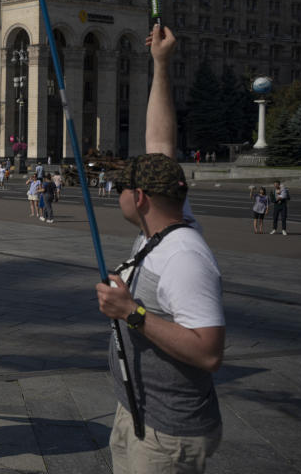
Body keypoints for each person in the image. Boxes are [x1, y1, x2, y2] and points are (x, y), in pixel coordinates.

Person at [95, 25, 224, 474]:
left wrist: (132, 312)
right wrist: (162, 65)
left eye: (122, 188)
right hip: (138, 412)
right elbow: (160, 146)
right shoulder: (163, 223)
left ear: (142, 199)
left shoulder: (185, 257)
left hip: (170, 434)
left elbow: (209, 351)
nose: (118, 194)